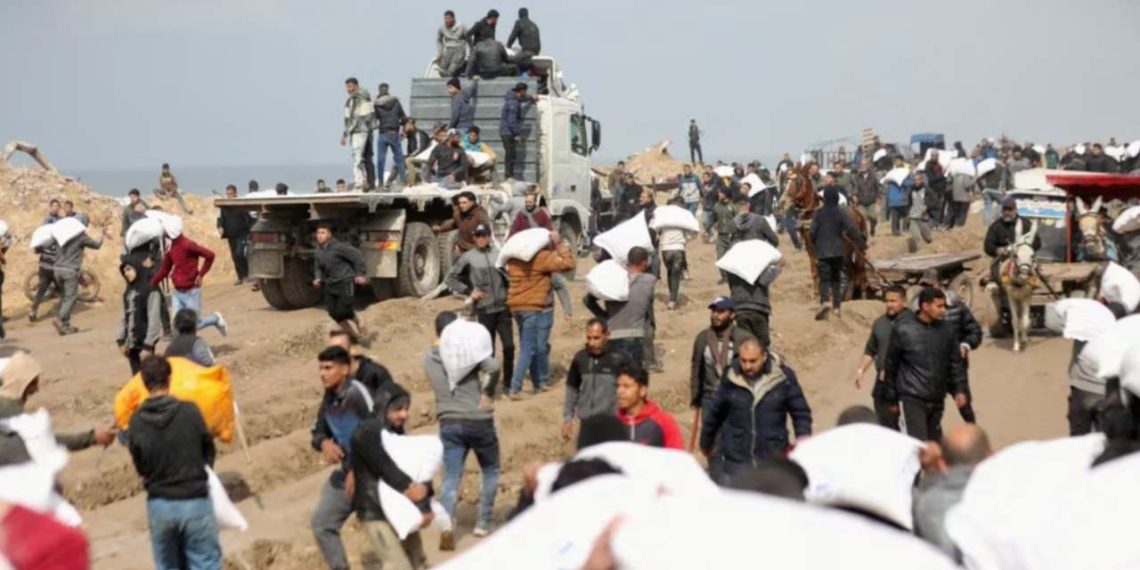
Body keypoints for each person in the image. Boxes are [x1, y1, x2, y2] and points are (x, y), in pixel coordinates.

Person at [126, 356, 221, 570]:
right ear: (169, 379)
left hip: (160, 505)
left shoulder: (137, 421)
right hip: (194, 500)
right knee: (205, 563)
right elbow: (208, 450)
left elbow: (140, 464)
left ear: (143, 383)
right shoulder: (190, 411)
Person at [424, 311, 501, 547]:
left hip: (448, 421)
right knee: (490, 469)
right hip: (478, 420)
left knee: (451, 477)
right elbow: (494, 366)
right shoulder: (469, 353)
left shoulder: (428, 358)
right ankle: (483, 523)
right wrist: (487, 393)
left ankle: (447, 526)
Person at [700, 338, 812, 485]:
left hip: (773, 459)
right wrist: (706, 442)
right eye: (743, 360)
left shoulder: (782, 378)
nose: (747, 366)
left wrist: (803, 441)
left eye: (753, 361)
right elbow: (715, 413)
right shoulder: (731, 377)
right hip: (737, 460)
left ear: (764, 356)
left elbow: (800, 412)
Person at [348, 382, 430, 569]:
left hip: (400, 508)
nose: (405, 414)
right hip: (375, 511)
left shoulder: (396, 433)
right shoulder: (366, 432)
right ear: (384, 407)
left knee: (419, 561)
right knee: (397, 565)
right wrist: (410, 488)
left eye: (406, 409)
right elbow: (385, 466)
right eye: (399, 409)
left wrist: (423, 505)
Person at [309, 346, 376, 570]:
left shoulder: (357, 394)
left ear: (345, 369)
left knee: (385, 533)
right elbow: (317, 431)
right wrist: (324, 442)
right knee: (322, 524)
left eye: (328, 368)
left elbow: (376, 436)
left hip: (374, 474)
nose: (323, 373)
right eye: (320, 368)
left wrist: (358, 471)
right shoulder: (329, 397)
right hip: (347, 475)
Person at [883, 287, 968, 441]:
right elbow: (890, 365)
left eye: (944, 306)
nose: (943, 311)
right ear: (925, 306)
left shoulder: (947, 331)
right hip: (911, 398)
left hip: (937, 400)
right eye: (939, 306)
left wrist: (959, 390)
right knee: (917, 447)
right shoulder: (903, 329)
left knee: (935, 448)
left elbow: (955, 364)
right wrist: (891, 398)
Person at [445, 223, 515, 392]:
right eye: (478, 235)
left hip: (503, 308)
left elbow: (509, 277)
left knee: (509, 347)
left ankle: (508, 383)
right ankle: (488, 386)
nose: (481, 238)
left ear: (490, 237)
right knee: (487, 351)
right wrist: (470, 291)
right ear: (474, 237)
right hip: (484, 310)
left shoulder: (499, 255)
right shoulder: (468, 257)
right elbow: (450, 278)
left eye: (484, 235)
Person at [0, 351, 117, 451]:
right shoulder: (9, 410)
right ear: (21, 382)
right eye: (33, 383)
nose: (37, 389)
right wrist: (92, 438)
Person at [505, 230, 575, 397]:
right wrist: (559, 244)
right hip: (532, 308)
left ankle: (538, 383)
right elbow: (568, 264)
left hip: (516, 308)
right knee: (528, 349)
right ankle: (515, 387)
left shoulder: (513, 260)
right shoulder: (542, 258)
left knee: (528, 346)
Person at [914, 424, 992, 562]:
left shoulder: (926, 505)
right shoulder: (1009, 497)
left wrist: (931, 472)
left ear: (942, 463)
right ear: (991, 455)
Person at [918, 270, 983, 424]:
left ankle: (974, 437)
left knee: (965, 407)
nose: (927, 290)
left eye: (931, 285)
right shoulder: (918, 310)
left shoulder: (957, 307)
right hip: (929, 370)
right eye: (924, 286)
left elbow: (975, 331)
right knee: (930, 410)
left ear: (940, 285)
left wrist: (965, 345)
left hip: (955, 369)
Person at [584, 247, 656, 367]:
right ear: (644, 263)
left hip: (612, 336)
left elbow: (587, 300)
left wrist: (604, 317)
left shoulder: (613, 282)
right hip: (635, 336)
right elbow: (649, 313)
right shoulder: (649, 281)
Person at [852, 286, 910, 429]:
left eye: (893, 301)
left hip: (906, 384)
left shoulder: (914, 322)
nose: (889, 304)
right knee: (885, 425)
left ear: (904, 301)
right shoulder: (880, 323)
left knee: (908, 427)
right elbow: (871, 350)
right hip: (883, 384)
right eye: (887, 301)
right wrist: (860, 371)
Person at [150, 231, 227, 336]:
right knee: (177, 325)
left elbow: (210, 255)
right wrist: (152, 283)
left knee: (195, 325)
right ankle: (185, 350)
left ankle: (215, 319)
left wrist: (201, 274)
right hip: (177, 292)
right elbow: (165, 269)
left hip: (192, 291)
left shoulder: (188, 245)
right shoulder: (171, 248)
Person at [562, 319, 626, 441]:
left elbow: (632, 390)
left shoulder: (619, 359)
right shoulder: (580, 358)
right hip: (587, 424)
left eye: (596, 338)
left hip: (612, 424)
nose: (592, 343)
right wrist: (568, 418)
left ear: (607, 335)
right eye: (589, 338)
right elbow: (572, 388)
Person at [809, 187, 866, 320]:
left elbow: (812, 232)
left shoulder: (818, 213)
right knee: (836, 279)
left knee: (824, 279)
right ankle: (836, 307)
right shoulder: (841, 212)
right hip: (838, 250)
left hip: (822, 250)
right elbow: (852, 228)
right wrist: (861, 243)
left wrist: (816, 242)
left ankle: (824, 302)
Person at [690, 297, 754, 412]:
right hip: (709, 398)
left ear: (732, 315)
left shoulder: (743, 338)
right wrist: (695, 396)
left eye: (721, 312)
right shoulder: (702, 338)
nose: (716, 315)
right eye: (714, 311)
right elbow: (696, 368)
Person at [52, 218, 108, 336]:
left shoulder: (61, 235)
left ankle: (66, 325)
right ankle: (60, 318)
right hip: (70, 271)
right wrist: (102, 234)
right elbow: (96, 245)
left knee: (65, 297)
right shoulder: (80, 237)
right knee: (72, 296)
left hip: (57, 270)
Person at [983, 196, 1041, 309]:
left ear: (1015, 210)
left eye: (1010, 209)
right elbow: (987, 246)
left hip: (1023, 260)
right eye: (1005, 209)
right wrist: (997, 250)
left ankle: (1030, 295)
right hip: (1002, 260)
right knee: (998, 279)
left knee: (1032, 274)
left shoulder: (1026, 224)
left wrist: (1025, 247)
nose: (1007, 212)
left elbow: (1038, 242)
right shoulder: (996, 226)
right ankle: (1005, 303)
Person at [312, 223, 368, 340]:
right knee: (333, 313)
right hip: (330, 283)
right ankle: (353, 336)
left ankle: (359, 320)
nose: (320, 236)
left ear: (329, 234)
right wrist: (317, 277)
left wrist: (360, 274)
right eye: (318, 233)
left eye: (323, 233)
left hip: (345, 281)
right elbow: (318, 266)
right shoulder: (318, 250)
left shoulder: (339, 247)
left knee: (343, 310)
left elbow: (357, 255)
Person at [615, 364, 684, 449]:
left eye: (626, 386)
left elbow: (676, 457)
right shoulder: (612, 424)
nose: (619, 391)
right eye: (617, 386)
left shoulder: (664, 422)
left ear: (642, 390)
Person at [116, 258, 164, 374]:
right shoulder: (128, 292)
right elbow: (125, 316)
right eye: (124, 271)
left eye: (129, 269)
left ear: (138, 269)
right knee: (136, 378)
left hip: (145, 341)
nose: (126, 273)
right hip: (131, 343)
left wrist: (148, 345)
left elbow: (154, 318)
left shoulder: (151, 290)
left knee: (150, 377)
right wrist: (121, 341)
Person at [658, 200, 695, 310]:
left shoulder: (663, 219)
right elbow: (690, 234)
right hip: (678, 249)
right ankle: (673, 299)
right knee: (675, 274)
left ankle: (672, 297)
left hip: (666, 249)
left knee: (670, 272)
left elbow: (657, 230)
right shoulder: (682, 219)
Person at [341, 77, 375, 191]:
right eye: (347, 87)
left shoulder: (360, 98)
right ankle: (364, 181)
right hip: (361, 131)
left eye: (349, 86)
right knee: (361, 156)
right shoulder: (358, 98)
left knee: (357, 155)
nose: (347, 89)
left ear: (356, 85)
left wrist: (346, 133)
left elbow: (357, 118)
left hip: (360, 130)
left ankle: (360, 182)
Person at [373, 83, 408, 189]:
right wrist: (403, 130)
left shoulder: (376, 105)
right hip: (394, 133)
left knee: (380, 160)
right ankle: (403, 182)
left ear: (379, 91)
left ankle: (380, 183)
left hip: (383, 133)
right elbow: (404, 118)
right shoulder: (396, 102)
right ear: (388, 90)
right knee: (399, 159)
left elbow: (374, 119)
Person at [217, 184, 253, 285]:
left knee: (240, 253)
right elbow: (220, 219)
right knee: (235, 257)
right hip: (230, 235)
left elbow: (248, 219)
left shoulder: (240, 205)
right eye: (228, 194)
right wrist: (220, 227)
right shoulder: (224, 207)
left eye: (231, 194)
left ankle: (247, 275)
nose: (229, 196)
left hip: (242, 234)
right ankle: (240, 277)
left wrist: (250, 232)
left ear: (235, 194)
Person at [500, 82, 536, 181]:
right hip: (508, 132)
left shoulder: (512, 97)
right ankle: (508, 176)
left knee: (511, 154)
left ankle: (509, 175)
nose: (525, 94)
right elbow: (512, 121)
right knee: (510, 154)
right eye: (525, 92)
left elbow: (522, 98)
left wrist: (531, 98)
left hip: (506, 131)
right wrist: (516, 134)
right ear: (522, 91)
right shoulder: (513, 104)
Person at [711, 190, 737, 283]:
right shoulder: (716, 206)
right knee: (720, 257)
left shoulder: (733, 206)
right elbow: (713, 219)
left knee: (732, 257)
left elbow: (738, 219)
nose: (719, 195)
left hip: (732, 236)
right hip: (721, 235)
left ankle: (733, 277)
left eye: (721, 193)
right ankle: (724, 277)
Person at [436, 10, 468, 78]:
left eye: (448, 19)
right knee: (442, 68)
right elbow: (439, 40)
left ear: (453, 19)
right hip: (448, 49)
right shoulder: (442, 28)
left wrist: (471, 50)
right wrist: (440, 52)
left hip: (459, 48)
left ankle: (450, 74)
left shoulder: (462, 26)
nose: (446, 21)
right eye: (445, 19)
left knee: (453, 67)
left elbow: (469, 38)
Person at [907, 171, 934, 253]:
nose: (916, 182)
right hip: (913, 215)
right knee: (915, 234)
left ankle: (929, 248)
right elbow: (909, 201)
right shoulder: (911, 190)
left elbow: (935, 200)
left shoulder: (927, 189)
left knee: (927, 237)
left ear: (921, 180)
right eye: (915, 180)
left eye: (918, 180)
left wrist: (927, 206)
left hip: (923, 216)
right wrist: (909, 212)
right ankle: (917, 251)